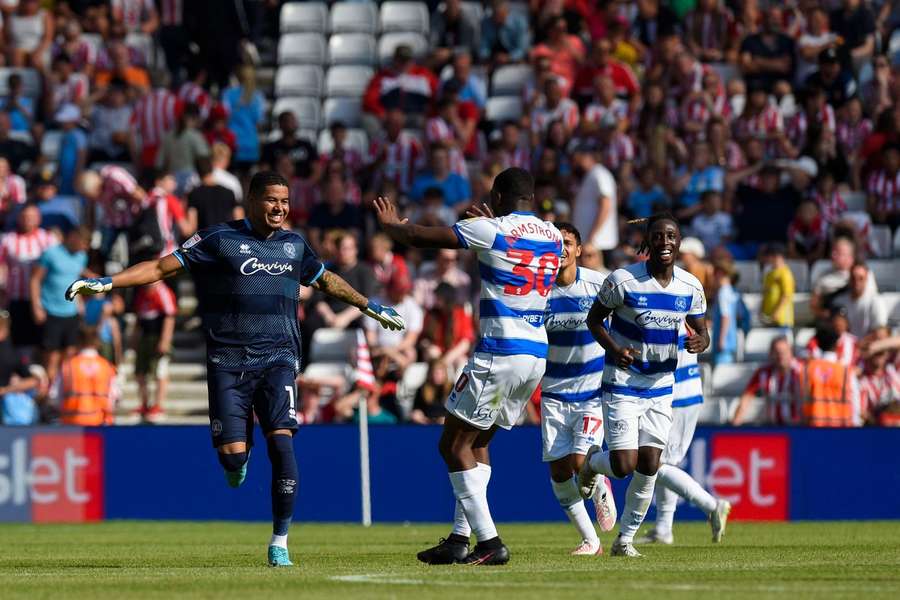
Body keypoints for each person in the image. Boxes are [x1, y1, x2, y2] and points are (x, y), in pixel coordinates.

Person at [65, 171, 405, 567]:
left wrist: (370, 306)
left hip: (279, 358)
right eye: (272, 200)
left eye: (285, 201)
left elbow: (325, 280)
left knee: (282, 443)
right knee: (233, 458)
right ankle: (237, 457)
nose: (280, 208)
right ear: (252, 199)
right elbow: (160, 269)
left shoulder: (294, 245)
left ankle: (280, 540)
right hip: (228, 362)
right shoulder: (218, 238)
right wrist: (109, 283)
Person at [375, 168, 562, 566]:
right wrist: (488, 223)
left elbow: (420, 237)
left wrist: (392, 226)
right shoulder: (555, 235)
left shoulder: (491, 230)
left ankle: (490, 541)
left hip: (501, 351)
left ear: (496, 196)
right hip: (534, 356)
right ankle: (460, 538)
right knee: (477, 443)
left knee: (452, 444)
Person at [579, 212, 709, 558]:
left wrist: (702, 340)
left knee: (650, 464)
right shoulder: (623, 280)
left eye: (671, 236)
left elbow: (701, 327)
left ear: (678, 242)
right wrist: (614, 349)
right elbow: (594, 321)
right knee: (623, 466)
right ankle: (593, 463)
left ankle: (625, 540)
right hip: (623, 381)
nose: (664, 242)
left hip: (662, 384)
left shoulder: (690, 286)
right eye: (658, 236)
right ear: (647, 242)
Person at [541, 223, 616, 556]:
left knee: (578, 461)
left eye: (567, 243)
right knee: (558, 471)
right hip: (554, 391)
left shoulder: (598, 284)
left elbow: (627, 315)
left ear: (578, 249)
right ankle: (591, 540)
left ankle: (599, 481)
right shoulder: (539, 291)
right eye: (556, 243)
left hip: (591, 391)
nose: (561, 249)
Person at [636, 323, 731, 546]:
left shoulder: (665, 309)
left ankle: (711, 505)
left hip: (675, 397)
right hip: (685, 393)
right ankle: (663, 529)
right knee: (664, 463)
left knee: (651, 463)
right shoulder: (685, 305)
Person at [30, 226, 90, 385]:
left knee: (70, 354)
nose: (84, 248)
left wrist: (80, 302)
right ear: (74, 238)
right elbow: (35, 279)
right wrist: (36, 306)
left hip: (71, 312)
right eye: (83, 243)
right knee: (51, 357)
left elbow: (76, 277)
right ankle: (48, 396)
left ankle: (61, 391)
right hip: (51, 311)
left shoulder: (82, 256)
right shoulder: (51, 254)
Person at [0, 204, 58, 351]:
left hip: (44, 299)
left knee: (44, 341)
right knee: (19, 340)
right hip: (16, 297)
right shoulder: (8, 239)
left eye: (32, 217)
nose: (28, 220)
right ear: (19, 218)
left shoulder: (48, 240)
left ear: (39, 219)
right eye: (25, 217)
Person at [732, 336, 804, 425]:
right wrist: (735, 425)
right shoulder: (763, 373)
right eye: (777, 352)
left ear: (791, 352)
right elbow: (746, 397)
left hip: (798, 428)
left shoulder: (802, 370)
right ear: (771, 354)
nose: (781, 356)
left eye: (784, 352)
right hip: (772, 427)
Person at [801, 324, 862, 427]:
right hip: (841, 430)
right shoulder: (846, 372)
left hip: (813, 430)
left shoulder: (807, 370)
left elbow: (800, 400)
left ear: (818, 344)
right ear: (837, 345)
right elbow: (855, 404)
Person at [132, 280, 176, 422]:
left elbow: (170, 317)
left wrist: (165, 341)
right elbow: (139, 317)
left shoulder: (163, 292)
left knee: (160, 371)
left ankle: (158, 405)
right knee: (140, 372)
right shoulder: (141, 294)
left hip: (158, 336)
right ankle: (144, 403)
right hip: (145, 337)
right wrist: (135, 338)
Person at [56, 327, 117, 426]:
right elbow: (113, 397)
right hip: (100, 424)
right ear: (97, 342)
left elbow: (56, 396)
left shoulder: (68, 366)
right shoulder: (106, 366)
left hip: (72, 424)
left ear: (78, 341)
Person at [571, 145, 618, 255]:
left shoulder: (599, 174)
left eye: (577, 159)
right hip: (592, 242)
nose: (575, 163)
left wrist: (592, 236)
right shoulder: (590, 175)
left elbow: (606, 205)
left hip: (599, 243)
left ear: (588, 157)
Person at [831, 263, 887, 339]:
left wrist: (858, 345)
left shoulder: (876, 301)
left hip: (868, 347)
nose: (856, 282)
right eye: (853, 278)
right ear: (849, 279)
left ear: (867, 279)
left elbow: (881, 332)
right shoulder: (838, 301)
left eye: (861, 278)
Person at [186, 157, 241, 233]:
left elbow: (192, 226)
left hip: (206, 240)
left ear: (197, 172)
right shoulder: (229, 192)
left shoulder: (194, 194)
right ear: (212, 169)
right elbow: (238, 218)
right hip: (226, 238)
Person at [711, 260, 740, 366]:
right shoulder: (732, 291)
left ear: (721, 273)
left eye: (715, 273)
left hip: (723, 342)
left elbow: (725, 316)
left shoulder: (723, 293)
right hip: (731, 340)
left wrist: (721, 339)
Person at [760, 244, 795, 328]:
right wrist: (761, 310)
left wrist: (777, 312)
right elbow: (766, 294)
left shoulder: (785, 273)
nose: (767, 258)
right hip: (769, 317)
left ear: (777, 256)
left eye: (769, 255)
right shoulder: (769, 274)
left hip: (782, 320)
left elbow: (786, 295)